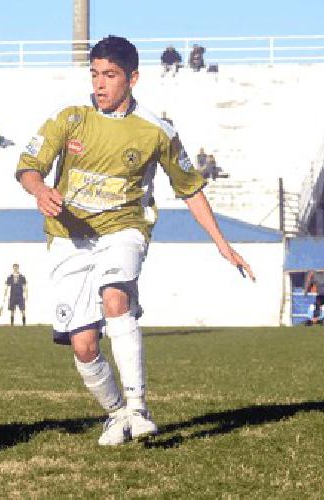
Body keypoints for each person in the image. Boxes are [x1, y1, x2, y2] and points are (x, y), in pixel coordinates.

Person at [14, 35, 255, 446]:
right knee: (84, 345)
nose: (100, 84)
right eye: (95, 75)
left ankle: (139, 406)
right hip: (68, 239)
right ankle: (116, 414)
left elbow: (190, 189)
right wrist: (39, 191)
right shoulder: (69, 118)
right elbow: (28, 167)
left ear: (133, 78)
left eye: (110, 75)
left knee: (115, 297)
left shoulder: (155, 131)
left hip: (124, 229)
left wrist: (222, 242)